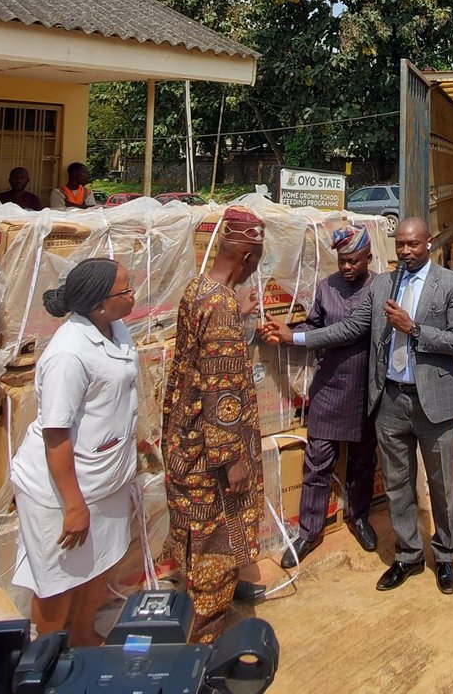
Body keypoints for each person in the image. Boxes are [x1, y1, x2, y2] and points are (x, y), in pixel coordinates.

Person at [260, 216, 453, 595]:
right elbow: (349, 328)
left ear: (428, 244)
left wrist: (414, 328)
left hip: (433, 403)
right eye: (401, 245)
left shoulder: (450, 284)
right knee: (396, 483)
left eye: (414, 244)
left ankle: (445, 556)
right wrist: (295, 337)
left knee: (441, 485)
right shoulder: (383, 285)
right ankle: (408, 554)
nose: (406, 251)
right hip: (390, 400)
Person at [10, 258, 138, 646]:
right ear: (99, 304)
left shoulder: (115, 329)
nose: (133, 294)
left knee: (99, 563)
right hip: (65, 487)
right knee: (58, 579)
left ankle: (83, 636)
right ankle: (47, 656)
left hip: (106, 476)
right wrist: (73, 504)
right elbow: (56, 435)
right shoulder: (68, 355)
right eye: (125, 290)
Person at [163, 206, 268, 642]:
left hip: (184, 440)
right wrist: (232, 460)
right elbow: (222, 394)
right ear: (247, 257)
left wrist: (236, 314)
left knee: (195, 537)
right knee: (216, 547)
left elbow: (203, 360)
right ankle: (202, 648)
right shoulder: (220, 307)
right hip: (212, 457)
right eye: (257, 260)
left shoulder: (199, 290)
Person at [274, 223, 380, 568]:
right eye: (342, 261)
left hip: (365, 389)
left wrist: (296, 338)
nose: (347, 267)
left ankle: (359, 517)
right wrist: (285, 332)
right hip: (330, 388)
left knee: (363, 462)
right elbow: (317, 326)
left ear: (368, 257)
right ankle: (309, 531)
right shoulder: (326, 287)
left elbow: (350, 332)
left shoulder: (379, 287)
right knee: (317, 462)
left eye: (354, 261)